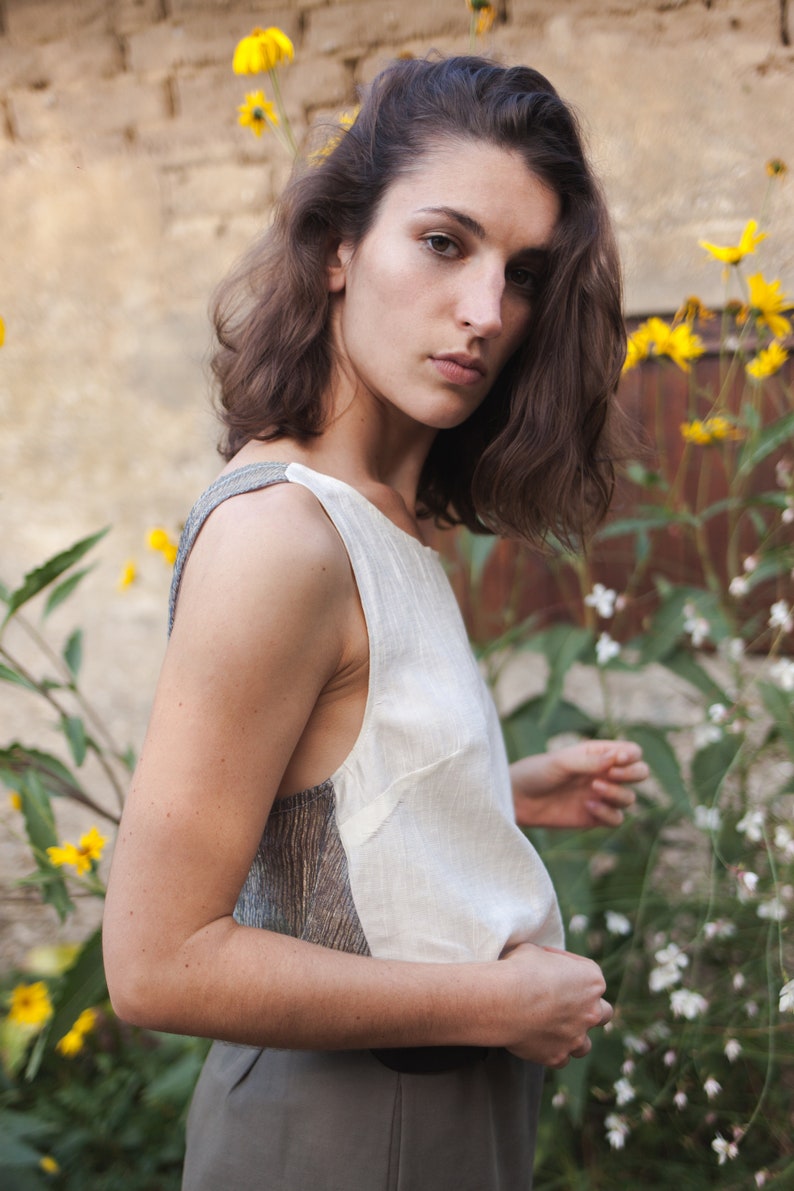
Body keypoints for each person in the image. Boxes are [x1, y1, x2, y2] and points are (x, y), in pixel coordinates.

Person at [103, 54, 647, 1191]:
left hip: (418, 1115)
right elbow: (156, 963)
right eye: (444, 244)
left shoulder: (381, 516)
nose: (485, 312)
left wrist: (490, 795)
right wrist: (493, 1003)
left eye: (525, 272)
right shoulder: (283, 538)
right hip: (349, 1130)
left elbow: (314, 813)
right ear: (340, 245)